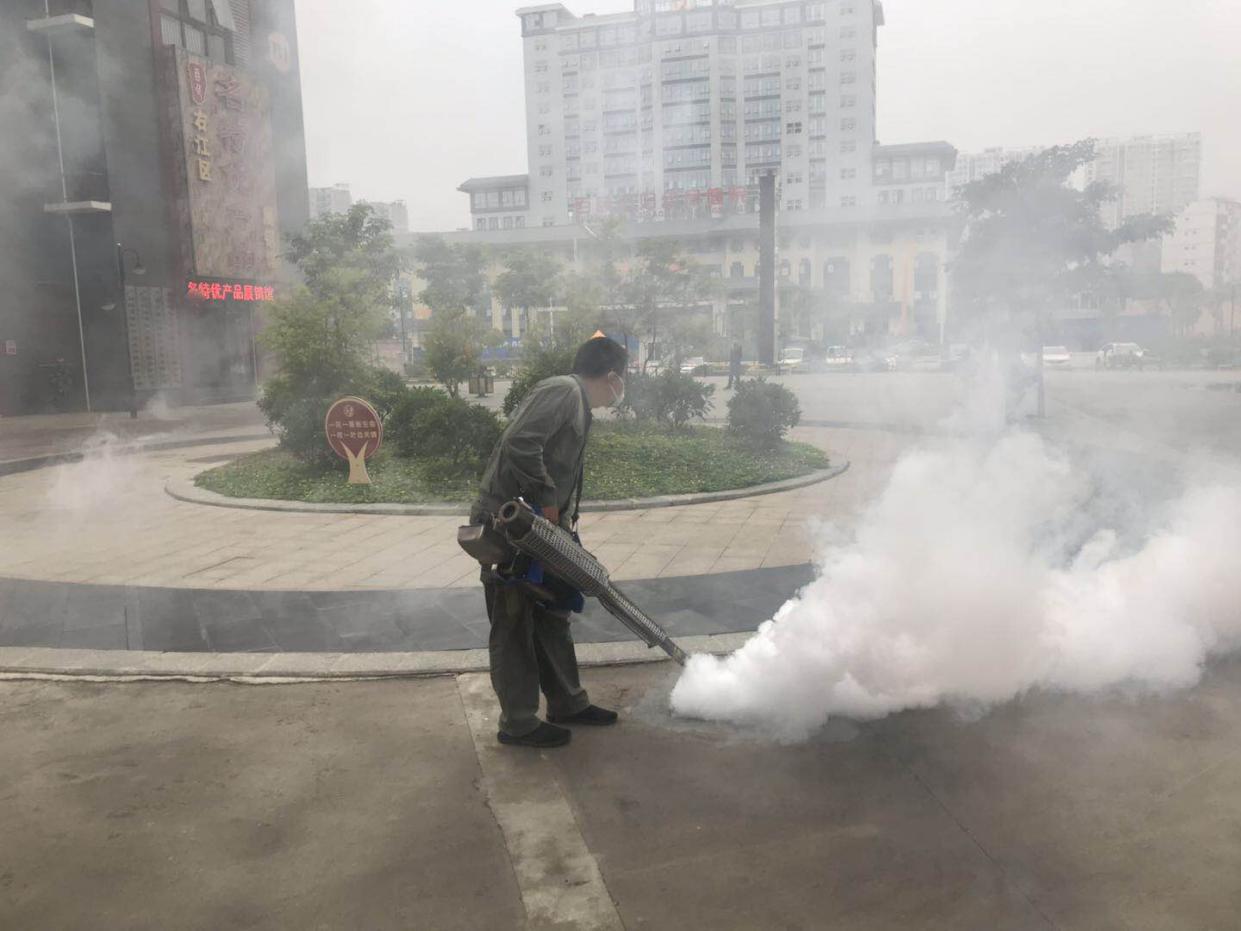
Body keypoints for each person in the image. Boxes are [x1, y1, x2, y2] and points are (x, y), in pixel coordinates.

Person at [470, 336, 629, 749]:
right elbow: (520, 442)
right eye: (622, 380)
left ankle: (567, 702)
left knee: (553, 613)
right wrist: (545, 497)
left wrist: (564, 519)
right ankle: (519, 723)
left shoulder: (578, 403)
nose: (620, 390)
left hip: (543, 530)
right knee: (513, 621)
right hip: (511, 525)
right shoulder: (563, 391)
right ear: (612, 376)